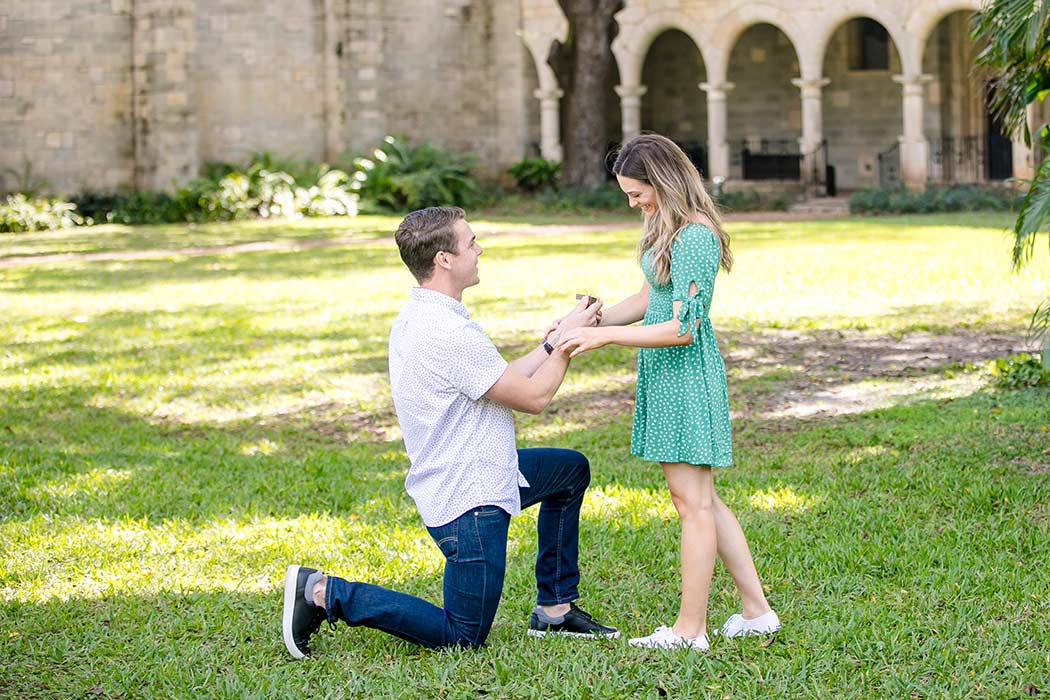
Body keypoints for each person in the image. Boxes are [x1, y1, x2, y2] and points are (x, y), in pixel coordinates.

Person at [281, 206, 618, 658]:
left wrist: (551, 340)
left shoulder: (425, 317)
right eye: (471, 242)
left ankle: (554, 611)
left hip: (484, 468)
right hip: (470, 499)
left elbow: (501, 379)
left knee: (569, 470)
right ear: (444, 259)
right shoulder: (447, 332)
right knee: (462, 635)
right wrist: (567, 343)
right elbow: (534, 398)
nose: (479, 250)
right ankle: (323, 592)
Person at [555, 134, 780, 651]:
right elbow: (648, 298)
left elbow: (682, 327)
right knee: (702, 499)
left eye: (638, 193)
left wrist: (603, 336)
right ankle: (756, 611)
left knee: (691, 504)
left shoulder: (695, 237)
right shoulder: (665, 228)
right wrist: (588, 318)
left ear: (664, 180)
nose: (633, 203)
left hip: (684, 373)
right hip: (664, 374)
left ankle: (689, 630)